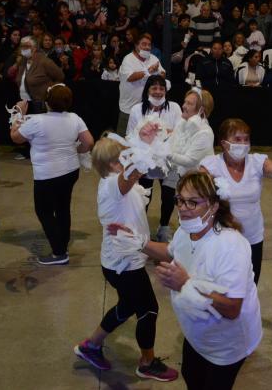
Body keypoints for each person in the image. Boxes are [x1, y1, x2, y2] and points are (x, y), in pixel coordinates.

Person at [117, 170, 261, 390]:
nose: (183, 208)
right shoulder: (187, 230)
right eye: (180, 200)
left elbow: (232, 308)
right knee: (191, 376)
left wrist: (185, 284)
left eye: (192, 202)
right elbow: (173, 251)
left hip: (224, 346)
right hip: (197, 335)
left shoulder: (231, 246)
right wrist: (139, 243)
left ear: (213, 206)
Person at [72, 135, 178, 382]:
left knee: (127, 306)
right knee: (149, 309)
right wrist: (145, 151)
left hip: (121, 261)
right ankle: (147, 363)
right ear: (112, 163)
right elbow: (132, 173)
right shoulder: (111, 184)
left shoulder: (123, 185)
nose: (129, 156)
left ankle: (91, 345)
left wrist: (147, 141)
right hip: (125, 265)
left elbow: (140, 173)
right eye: (124, 155)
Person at [200, 118, 272, 284]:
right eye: (237, 139)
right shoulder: (210, 166)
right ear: (224, 143)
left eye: (246, 139)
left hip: (252, 238)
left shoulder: (256, 162)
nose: (243, 144)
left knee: (250, 285)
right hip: (221, 239)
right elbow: (197, 195)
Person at [10, 84, 95, 265]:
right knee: (63, 208)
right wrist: (77, 151)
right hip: (70, 170)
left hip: (47, 174)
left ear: (47, 102)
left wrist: (17, 114)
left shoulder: (37, 121)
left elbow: (16, 138)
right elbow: (88, 141)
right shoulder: (74, 118)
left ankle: (59, 252)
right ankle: (62, 245)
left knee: (44, 211)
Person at [126, 75, 183, 242]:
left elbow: (180, 132)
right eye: (154, 88)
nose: (158, 92)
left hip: (169, 161)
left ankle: (164, 227)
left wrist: (165, 132)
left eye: (161, 88)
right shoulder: (137, 109)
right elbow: (130, 135)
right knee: (144, 194)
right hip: (146, 161)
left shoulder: (174, 108)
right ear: (147, 90)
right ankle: (141, 229)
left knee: (168, 195)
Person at [118, 33, 167, 134]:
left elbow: (163, 74)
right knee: (124, 139)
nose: (147, 47)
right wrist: (148, 71)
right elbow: (130, 77)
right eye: (144, 44)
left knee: (145, 137)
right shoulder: (128, 59)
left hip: (147, 108)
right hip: (129, 107)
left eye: (149, 45)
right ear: (136, 45)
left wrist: (158, 72)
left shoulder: (153, 58)